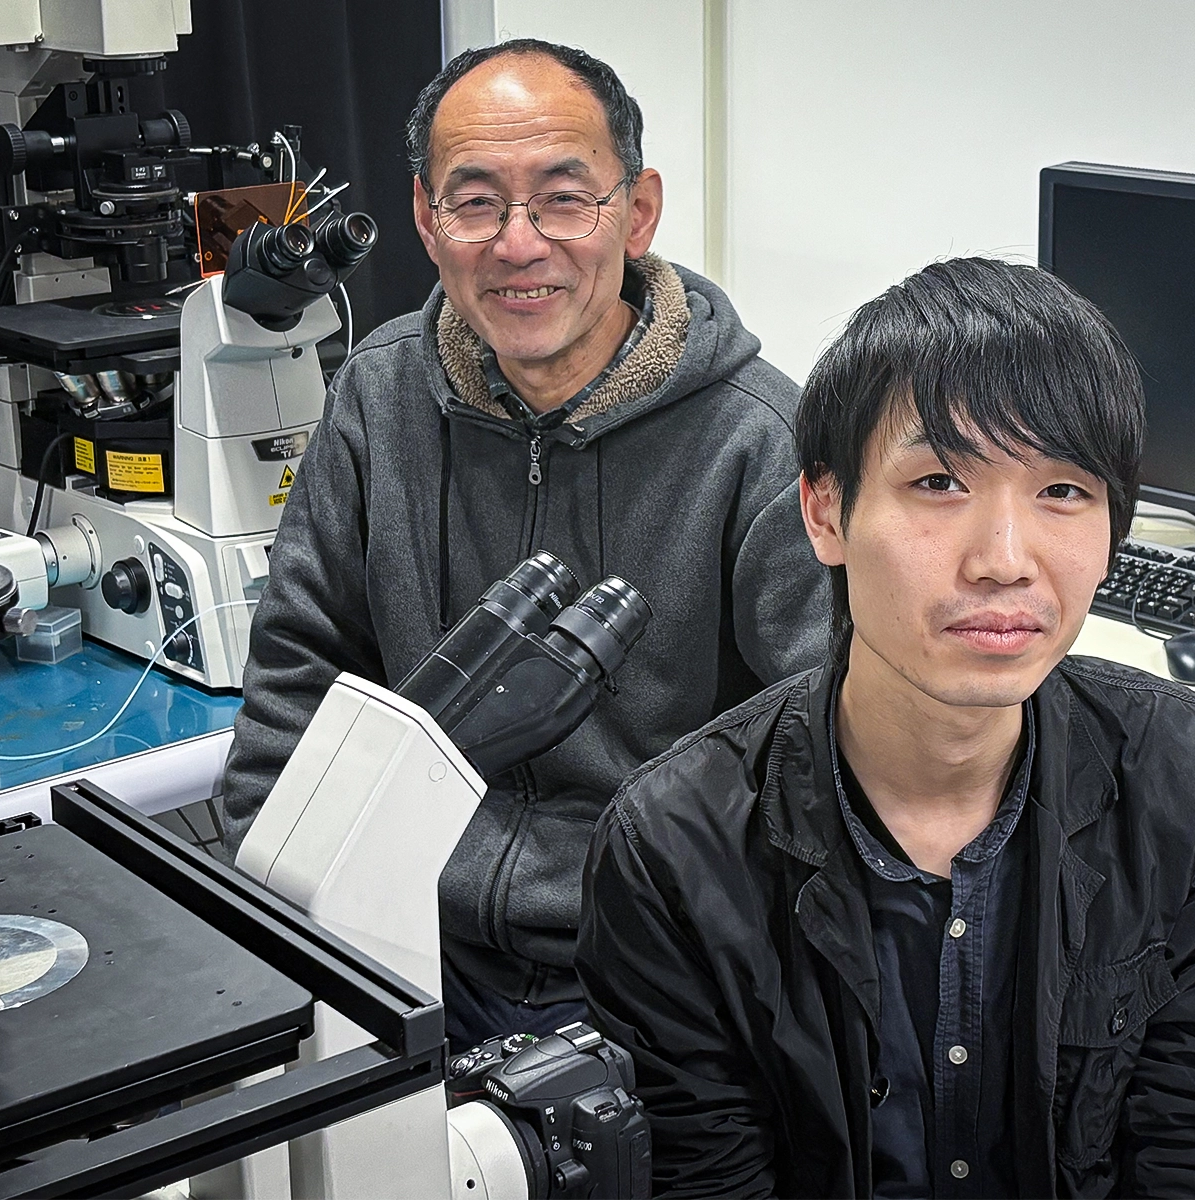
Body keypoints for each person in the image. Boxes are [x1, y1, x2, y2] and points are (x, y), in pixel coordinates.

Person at [578, 258, 1195, 1198]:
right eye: (941, 481)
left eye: (1063, 491)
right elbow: (709, 1179)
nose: (1003, 561)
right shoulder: (673, 850)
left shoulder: (1192, 778)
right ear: (825, 511)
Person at [220, 39, 827, 1049]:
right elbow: (297, 684)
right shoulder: (377, 397)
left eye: (562, 198)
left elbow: (823, 772)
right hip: (399, 943)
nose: (517, 244)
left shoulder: (761, 443)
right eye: (474, 202)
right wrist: (281, 912)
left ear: (635, 213)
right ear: (424, 218)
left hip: (653, 972)